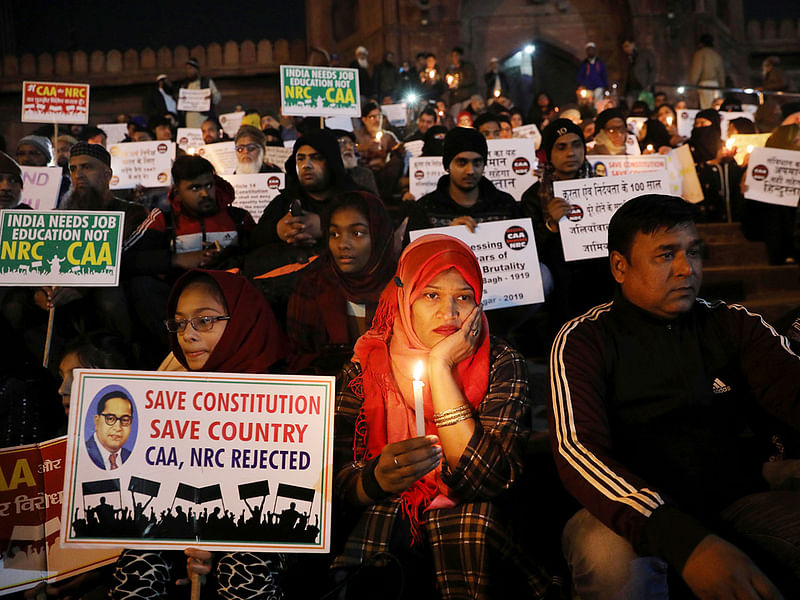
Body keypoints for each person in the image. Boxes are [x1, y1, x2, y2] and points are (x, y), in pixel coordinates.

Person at [550, 194, 800, 598]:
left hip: (734, 500)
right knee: (610, 561)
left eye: (693, 252)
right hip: (621, 515)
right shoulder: (583, 340)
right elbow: (579, 451)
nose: (687, 269)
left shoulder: (732, 323)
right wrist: (688, 543)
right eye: (666, 255)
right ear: (620, 266)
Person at [332, 234, 551, 599]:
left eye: (463, 297)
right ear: (405, 298)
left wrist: (440, 367)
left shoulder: (501, 360)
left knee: (470, 527)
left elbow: (487, 480)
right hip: (385, 519)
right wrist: (376, 480)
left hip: (474, 526)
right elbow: (334, 480)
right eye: (431, 295)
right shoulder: (367, 365)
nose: (448, 313)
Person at [109, 269, 286, 600]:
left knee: (243, 568)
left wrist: (219, 543)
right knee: (136, 566)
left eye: (204, 321)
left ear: (243, 322)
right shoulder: (166, 390)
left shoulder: (288, 399)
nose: (186, 335)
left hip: (257, 540)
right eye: (178, 323)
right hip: (174, 534)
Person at [123, 154, 254, 360]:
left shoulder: (238, 218)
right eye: (194, 188)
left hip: (229, 300)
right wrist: (176, 259)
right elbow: (126, 259)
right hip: (177, 304)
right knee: (141, 285)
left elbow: (259, 255)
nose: (204, 193)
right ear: (177, 191)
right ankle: (175, 355)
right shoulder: (162, 220)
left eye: (209, 186)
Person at [245, 129, 359, 318]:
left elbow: (374, 237)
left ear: (331, 161)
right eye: (300, 158)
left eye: (316, 158)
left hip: (342, 298)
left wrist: (326, 227)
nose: (306, 165)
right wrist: (277, 231)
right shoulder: (283, 201)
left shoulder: (355, 198)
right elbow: (253, 242)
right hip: (286, 303)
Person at [286, 191, 397, 374]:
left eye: (357, 233)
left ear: (379, 235)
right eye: (334, 234)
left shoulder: (403, 287)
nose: (343, 244)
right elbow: (298, 358)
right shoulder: (313, 286)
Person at [406, 126, 520, 231]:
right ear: (447, 166)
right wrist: (447, 238)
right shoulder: (425, 209)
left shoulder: (506, 205)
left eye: (477, 162)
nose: (470, 171)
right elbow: (413, 253)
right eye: (461, 162)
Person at [86, 390, 133, 470]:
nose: (118, 428)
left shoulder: (132, 458)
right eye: (110, 418)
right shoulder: (83, 453)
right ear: (97, 421)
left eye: (125, 420)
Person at [333, 129, 379, 196]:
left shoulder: (364, 174)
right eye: (343, 143)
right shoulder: (326, 175)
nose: (349, 148)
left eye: (351, 144)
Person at [181, 57, 221, 129]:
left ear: (196, 70)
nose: (188, 71)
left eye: (190, 68)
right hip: (189, 119)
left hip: (204, 118)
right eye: (186, 69)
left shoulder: (206, 82)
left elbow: (217, 97)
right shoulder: (185, 85)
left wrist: (210, 97)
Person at [689, 34, 725, 110]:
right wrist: (722, 86)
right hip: (716, 85)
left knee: (706, 108)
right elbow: (721, 74)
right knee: (717, 107)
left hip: (705, 85)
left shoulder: (700, 54)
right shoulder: (717, 55)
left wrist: (692, 85)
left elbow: (696, 70)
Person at [622, 38, 656, 109]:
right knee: (631, 108)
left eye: (627, 46)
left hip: (643, 87)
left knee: (645, 107)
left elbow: (652, 69)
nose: (626, 49)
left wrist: (649, 84)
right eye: (624, 47)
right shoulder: (627, 58)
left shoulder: (644, 54)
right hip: (631, 89)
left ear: (633, 44)